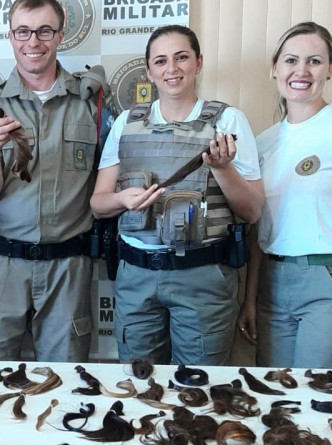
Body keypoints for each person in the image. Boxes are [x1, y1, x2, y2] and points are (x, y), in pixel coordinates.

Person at [90, 25, 264, 365]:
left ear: (198, 63)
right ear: (149, 72)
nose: (172, 69)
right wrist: (122, 201)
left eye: (181, 57)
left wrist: (223, 169)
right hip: (136, 275)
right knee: (139, 387)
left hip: (203, 277)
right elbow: (98, 204)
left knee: (199, 388)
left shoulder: (228, 120)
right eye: (161, 61)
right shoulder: (126, 122)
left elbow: (253, 210)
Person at [238, 22, 332, 368]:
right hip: (273, 285)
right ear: (275, 68)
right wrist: (250, 298)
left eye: (314, 61)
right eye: (291, 60)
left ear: (330, 69)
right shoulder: (263, 143)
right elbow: (257, 230)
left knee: (322, 398)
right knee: (278, 402)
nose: (301, 71)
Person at [0, 0, 104, 362]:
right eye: (23, 31)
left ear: (60, 35)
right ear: (11, 37)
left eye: (45, 31)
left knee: (66, 381)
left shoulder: (91, 103)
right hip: (4, 263)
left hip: (68, 265)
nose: (34, 42)